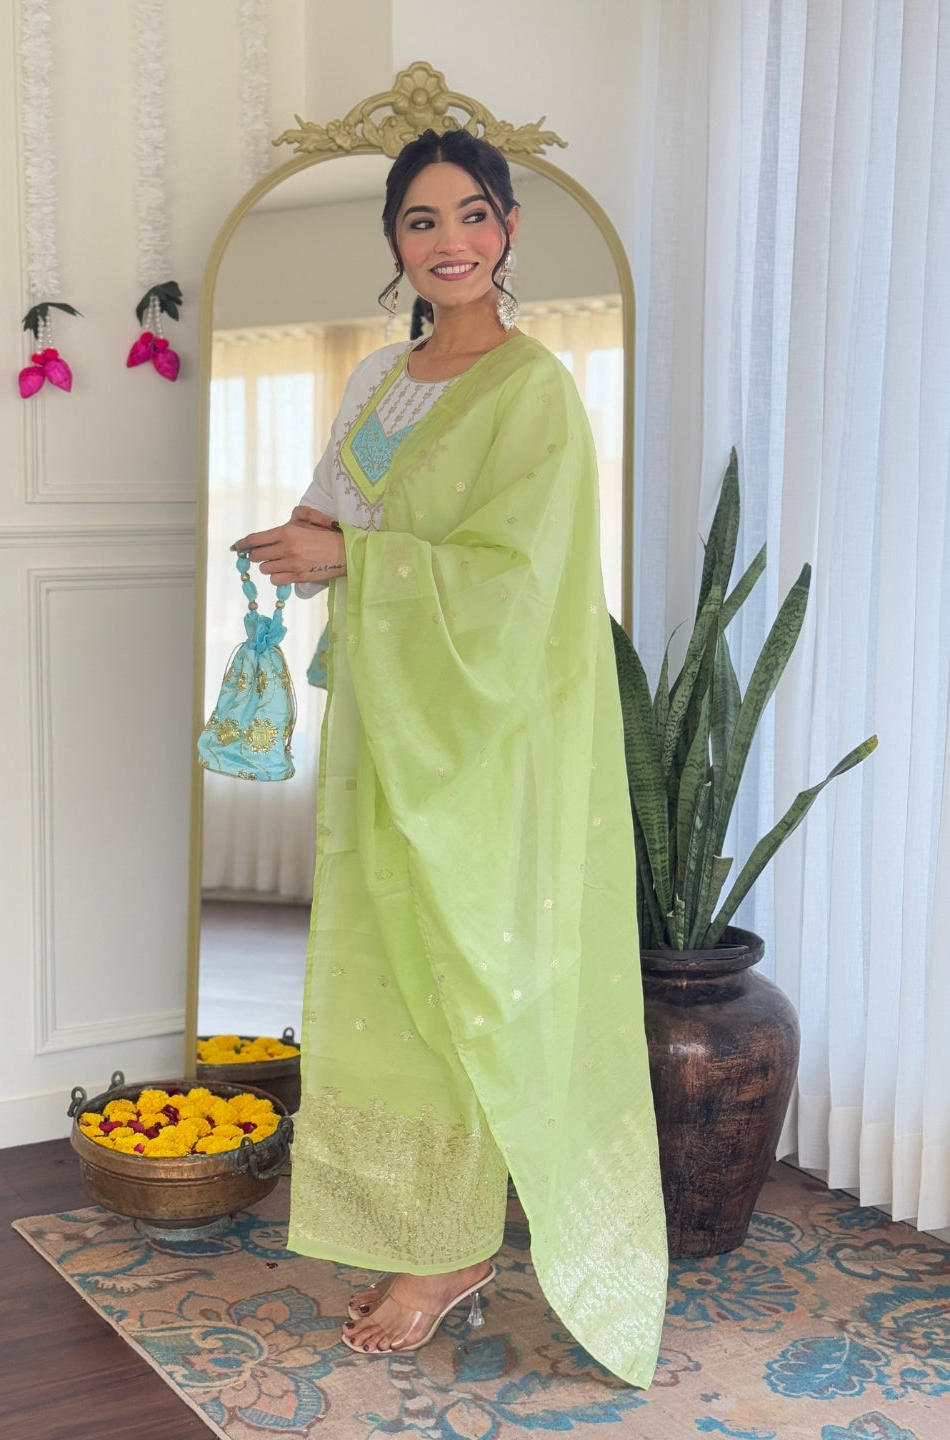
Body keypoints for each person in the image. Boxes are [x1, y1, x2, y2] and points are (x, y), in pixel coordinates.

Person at [233, 127, 668, 1388]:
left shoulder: (533, 390)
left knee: (471, 971)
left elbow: (527, 583)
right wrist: (306, 540)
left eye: (473, 216)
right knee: (398, 971)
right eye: (422, 222)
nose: (451, 242)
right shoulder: (378, 382)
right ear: (394, 246)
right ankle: (434, 1236)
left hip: (490, 737)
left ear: (511, 229)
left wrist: (359, 563)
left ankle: (451, 1250)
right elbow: (344, 511)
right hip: (390, 723)